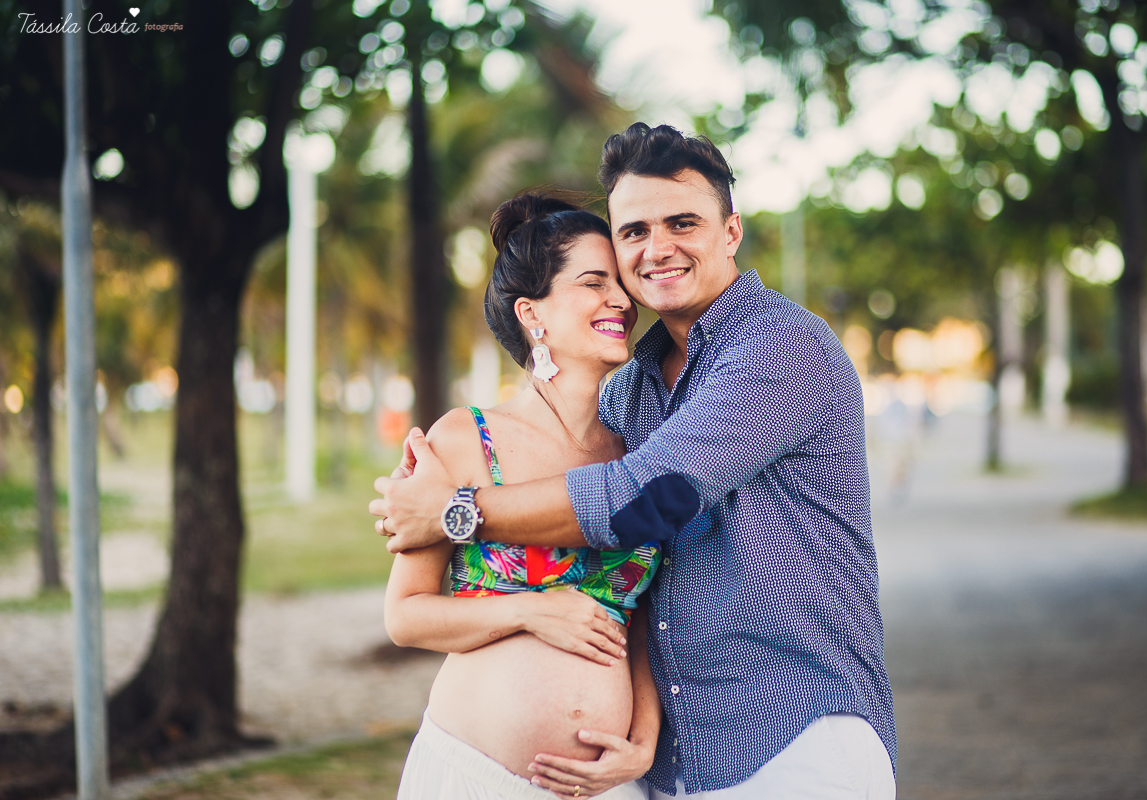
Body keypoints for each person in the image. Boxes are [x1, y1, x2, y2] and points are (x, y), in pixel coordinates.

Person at [373, 123, 897, 799]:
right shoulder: (631, 400)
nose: (657, 251)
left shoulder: (780, 346)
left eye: (683, 223)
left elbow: (650, 499)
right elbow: (646, 596)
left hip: (794, 734)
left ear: (731, 232)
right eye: (634, 234)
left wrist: (453, 513)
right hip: (665, 769)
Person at [384, 193, 663, 800]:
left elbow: (638, 618)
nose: (620, 300)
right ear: (532, 313)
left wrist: (642, 741)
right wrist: (528, 610)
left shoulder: (639, 451)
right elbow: (405, 615)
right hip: (474, 774)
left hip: (608, 787)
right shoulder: (465, 438)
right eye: (594, 283)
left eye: (620, 284)